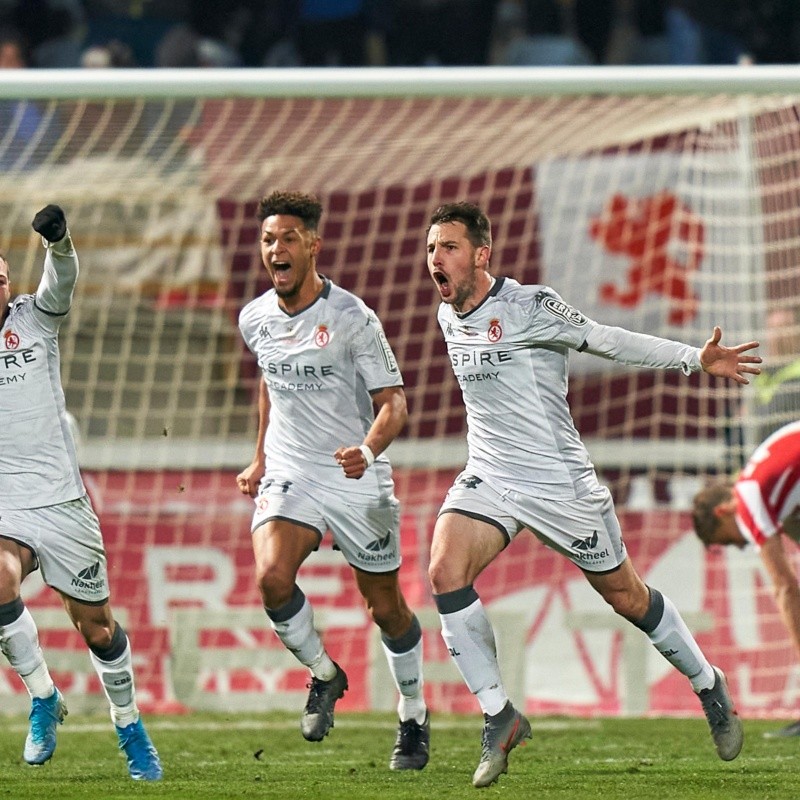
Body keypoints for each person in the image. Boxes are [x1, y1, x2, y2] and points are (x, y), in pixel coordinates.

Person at [424, 201, 761, 788]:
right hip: (493, 475)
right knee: (444, 571)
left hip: (561, 483)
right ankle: (499, 715)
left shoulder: (531, 305)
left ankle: (709, 684)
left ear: (481, 254)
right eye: (431, 248)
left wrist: (692, 359)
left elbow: (607, 339)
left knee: (627, 597)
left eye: (448, 247)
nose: (435, 258)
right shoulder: (448, 316)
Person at [236, 190, 429, 770]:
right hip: (292, 469)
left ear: (313, 246)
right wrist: (261, 458)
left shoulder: (352, 317)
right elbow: (272, 381)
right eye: (269, 239)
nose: (276, 249)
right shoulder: (254, 318)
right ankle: (324, 672)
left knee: (386, 607)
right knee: (271, 578)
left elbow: (394, 403)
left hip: (354, 475)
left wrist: (368, 452)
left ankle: (414, 714)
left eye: (288, 238)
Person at [0, 205, 162, 780]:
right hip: (5, 507)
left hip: (63, 502)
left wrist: (59, 242)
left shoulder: (35, 319)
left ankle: (129, 725)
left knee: (97, 628)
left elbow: (60, 279)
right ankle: (42, 695)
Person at [692, 420, 800, 738]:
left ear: (722, 512)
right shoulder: (764, 483)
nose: (740, 546)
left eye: (729, 540)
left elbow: (785, 587)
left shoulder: (748, 498)